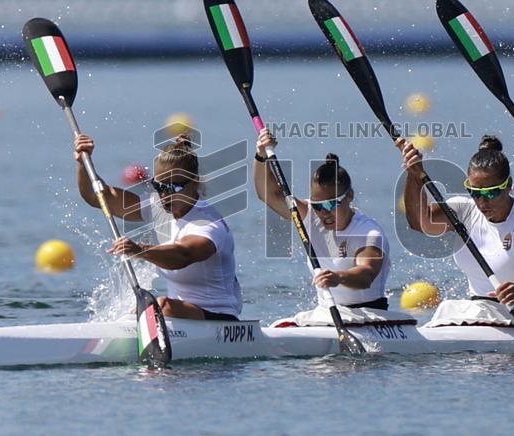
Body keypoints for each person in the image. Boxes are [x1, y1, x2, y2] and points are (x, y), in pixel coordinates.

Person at [400, 135, 514, 327]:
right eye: (475, 192)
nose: (482, 202)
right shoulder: (462, 212)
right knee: (447, 308)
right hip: (479, 312)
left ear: (508, 185)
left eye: (491, 192)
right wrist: (414, 176)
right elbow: (419, 223)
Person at [74, 132, 242, 321]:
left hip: (220, 319)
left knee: (162, 305)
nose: (165, 195)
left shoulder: (207, 224)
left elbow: (183, 254)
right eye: (159, 186)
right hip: (180, 316)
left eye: (173, 188)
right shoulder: (158, 208)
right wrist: (83, 162)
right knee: (152, 307)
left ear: (194, 182)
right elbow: (99, 197)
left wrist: (141, 250)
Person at [254, 129, 396, 323]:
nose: (324, 213)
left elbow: (366, 274)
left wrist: (338, 277)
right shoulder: (309, 216)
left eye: (331, 204)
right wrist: (261, 155)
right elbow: (268, 194)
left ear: (350, 196)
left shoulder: (369, 233)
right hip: (327, 314)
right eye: (318, 205)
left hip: (370, 316)